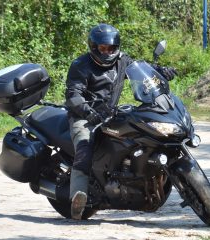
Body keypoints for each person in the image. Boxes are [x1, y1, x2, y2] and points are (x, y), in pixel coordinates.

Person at [65, 23, 176, 220]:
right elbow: (73, 95)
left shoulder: (122, 60)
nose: (107, 52)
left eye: (111, 48)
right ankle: (77, 198)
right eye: (102, 48)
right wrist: (88, 112)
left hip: (110, 114)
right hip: (84, 117)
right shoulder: (80, 65)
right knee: (84, 145)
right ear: (93, 47)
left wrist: (162, 72)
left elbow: (142, 71)